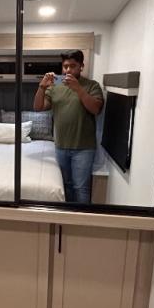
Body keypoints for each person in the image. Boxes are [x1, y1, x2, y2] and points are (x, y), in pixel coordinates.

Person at [33, 50, 104, 203]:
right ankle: (68, 216)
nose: (68, 70)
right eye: (65, 66)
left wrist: (78, 89)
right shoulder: (55, 86)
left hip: (84, 148)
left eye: (73, 66)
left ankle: (81, 218)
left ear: (81, 66)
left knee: (81, 188)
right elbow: (38, 107)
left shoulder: (92, 85)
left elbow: (96, 109)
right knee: (66, 186)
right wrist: (42, 87)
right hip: (60, 146)